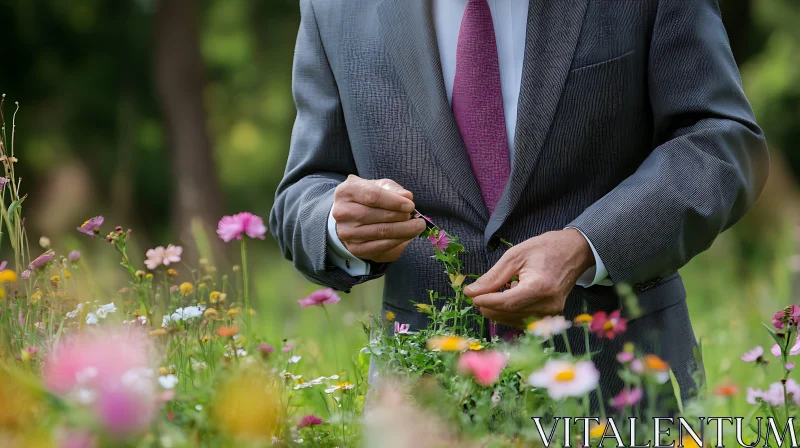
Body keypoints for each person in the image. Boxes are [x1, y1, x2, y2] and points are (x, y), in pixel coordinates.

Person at [269, 0, 769, 400]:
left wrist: (589, 245)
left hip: (619, 388)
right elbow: (304, 188)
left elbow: (719, 140)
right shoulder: (331, 7)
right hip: (421, 406)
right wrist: (334, 224)